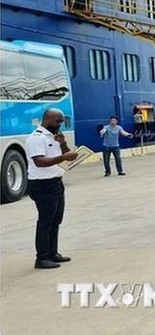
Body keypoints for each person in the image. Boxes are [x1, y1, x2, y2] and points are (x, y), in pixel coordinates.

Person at [25, 108, 78, 269]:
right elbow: (39, 162)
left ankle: (52, 253)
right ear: (47, 120)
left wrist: (62, 143)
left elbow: (67, 156)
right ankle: (41, 258)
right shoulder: (36, 138)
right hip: (42, 185)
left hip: (56, 182)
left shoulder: (53, 137)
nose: (60, 124)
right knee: (45, 222)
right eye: (58, 121)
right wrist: (63, 157)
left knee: (56, 220)